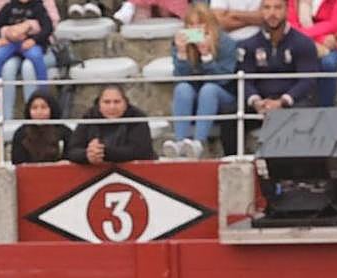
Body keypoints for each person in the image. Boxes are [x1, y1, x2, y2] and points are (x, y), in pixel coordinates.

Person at [163, 3, 236, 160]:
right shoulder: (180, 42)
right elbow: (180, 78)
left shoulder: (226, 43)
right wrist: (182, 54)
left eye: (200, 24)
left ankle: (198, 143)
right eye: (191, 25)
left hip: (223, 97)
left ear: (211, 24)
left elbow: (224, 80)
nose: (195, 29)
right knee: (182, 88)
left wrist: (206, 56)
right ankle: (180, 143)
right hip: (195, 96)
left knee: (209, 89)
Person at [237, 0, 318, 116]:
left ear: (287, 10)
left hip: (293, 103)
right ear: (261, 11)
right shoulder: (248, 45)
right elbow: (245, 80)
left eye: (278, 7)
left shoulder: (304, 43)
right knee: (231, 111)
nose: (272, 13)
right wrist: (256, 101)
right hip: (260, 103)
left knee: (304, 108)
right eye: (267, 8)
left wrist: (282, 101)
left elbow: (308, 80)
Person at [65, 84, 155, 164]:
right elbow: (72, 151)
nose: (112, 107)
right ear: (99, 104)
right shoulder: (89, 117)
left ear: (126, 103)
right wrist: (87, 155)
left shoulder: (137, 117)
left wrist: (102, 152)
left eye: (117, 102)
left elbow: (140, 151)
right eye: (107, 102)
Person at [287, 0, 337, 108]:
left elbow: (336, 24)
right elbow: (291, 26)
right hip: (301, 44)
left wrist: (307, 34)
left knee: (328, 63)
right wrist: (319, 39)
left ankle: (326, 109)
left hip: (334, 46)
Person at [0, 0, 54, 94]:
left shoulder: (38, 6)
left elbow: (48, 27)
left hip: (30, 43)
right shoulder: (9, 6)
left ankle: (43, 92)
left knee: (36, 57)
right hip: (11, 43)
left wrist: (34, 40)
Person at [10, 90, 66, 163]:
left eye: (44, 107)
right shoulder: (21, 134)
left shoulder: (64, 132)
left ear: (52, 108)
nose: (39, 112)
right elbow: (18, 162)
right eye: (34, 108)